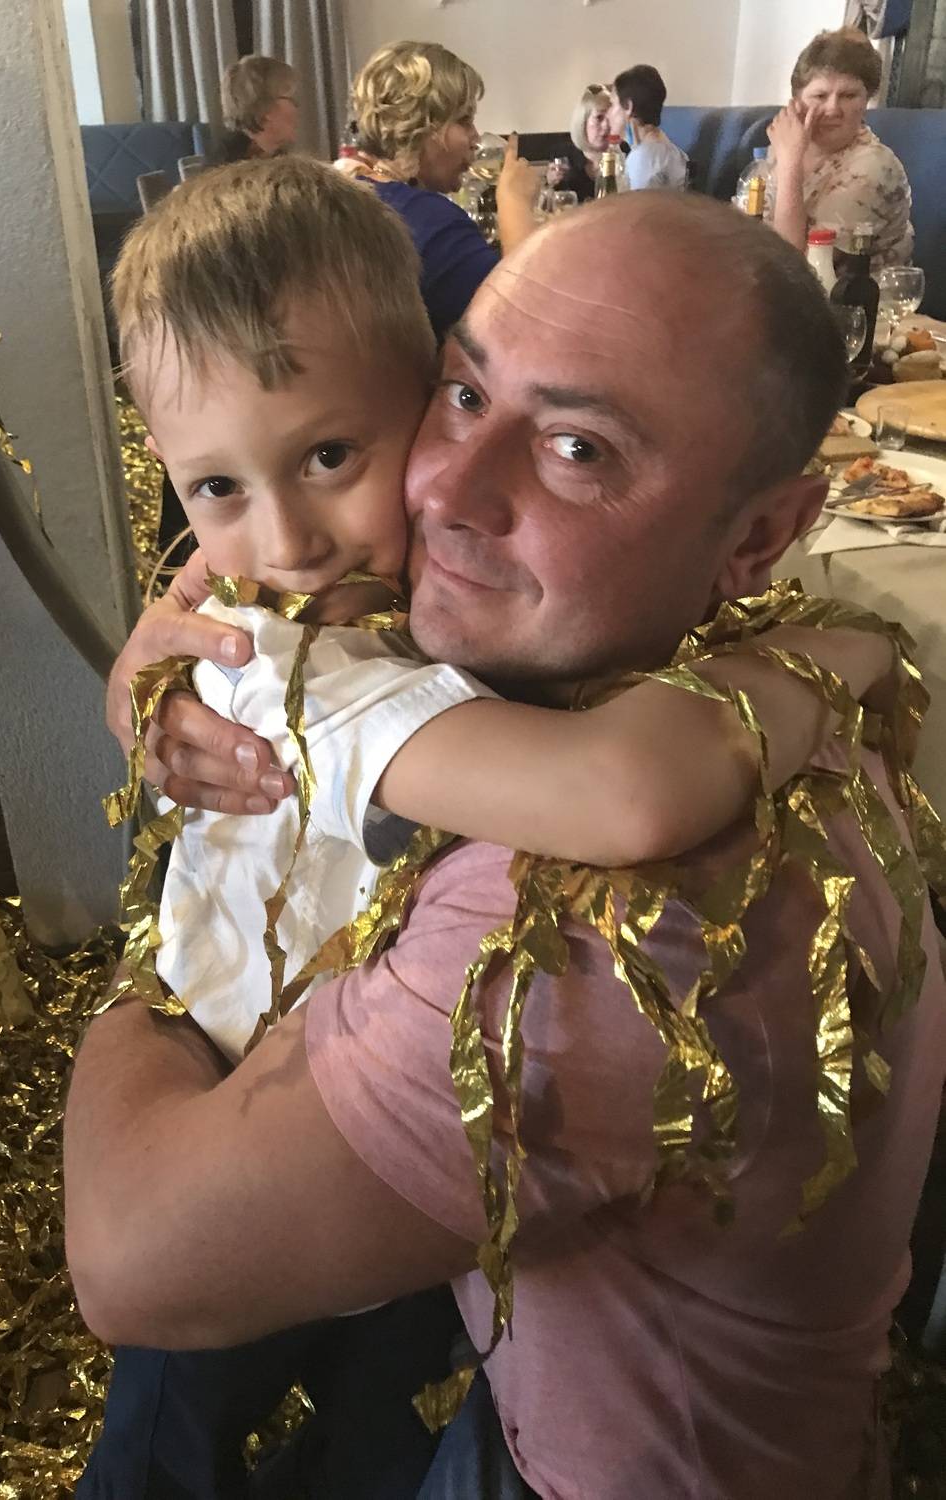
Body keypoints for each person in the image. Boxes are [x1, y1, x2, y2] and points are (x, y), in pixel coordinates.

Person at [67, 191, 946, 1498]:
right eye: (467, 397)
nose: (444, 491)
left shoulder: (603, 929)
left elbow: (132, 1257)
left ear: (763, 534)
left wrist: (136, 991)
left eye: (579, 448)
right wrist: (851, 647)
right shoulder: (705, 669)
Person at [347, 40, 540, 342]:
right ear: (419, 127)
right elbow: (526, 326)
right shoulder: (429, 220)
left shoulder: (355, 194)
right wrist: (515, 205)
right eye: (464, 121)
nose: (475, 137)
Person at [766, 26, 914, 271]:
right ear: (796, 103)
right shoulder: (784, 148)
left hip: (847, 294)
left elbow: (797, 271)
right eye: (820, 96)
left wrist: (790, 164)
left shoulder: (873, 167)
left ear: (865, 102)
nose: (833, 109)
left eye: (848, 95)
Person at [608, 64, 688, 191]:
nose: (608, 113)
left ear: (628, 106)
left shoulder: (642, 159)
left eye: (612, 104)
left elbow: (636, 204)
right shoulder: (671, 152)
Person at [210, 54, 299, 167]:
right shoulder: (228, 165)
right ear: (267, 107)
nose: (297, 107)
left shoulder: (275, 152)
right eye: (291, 99)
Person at [546, 83, 611, 201]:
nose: (607, 126)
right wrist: (549, 184)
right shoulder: (563, 154)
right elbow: (552, 203)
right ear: (583, 121)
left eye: (611, 118)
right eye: (599, 118)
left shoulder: (623, 153)